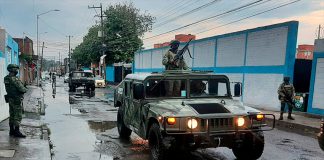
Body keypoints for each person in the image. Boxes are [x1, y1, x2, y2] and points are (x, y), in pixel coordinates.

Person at [4, 64, 28, 138]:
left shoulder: (6, 78)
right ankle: (17, 131)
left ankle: (11, 131)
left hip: (10, 98)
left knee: (12, 114)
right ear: (13, 70)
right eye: (16, 69)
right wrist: (25, 88)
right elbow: (22, 89)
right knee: (17, 115)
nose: (17, 71)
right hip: (16, 99)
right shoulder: (14, 79)